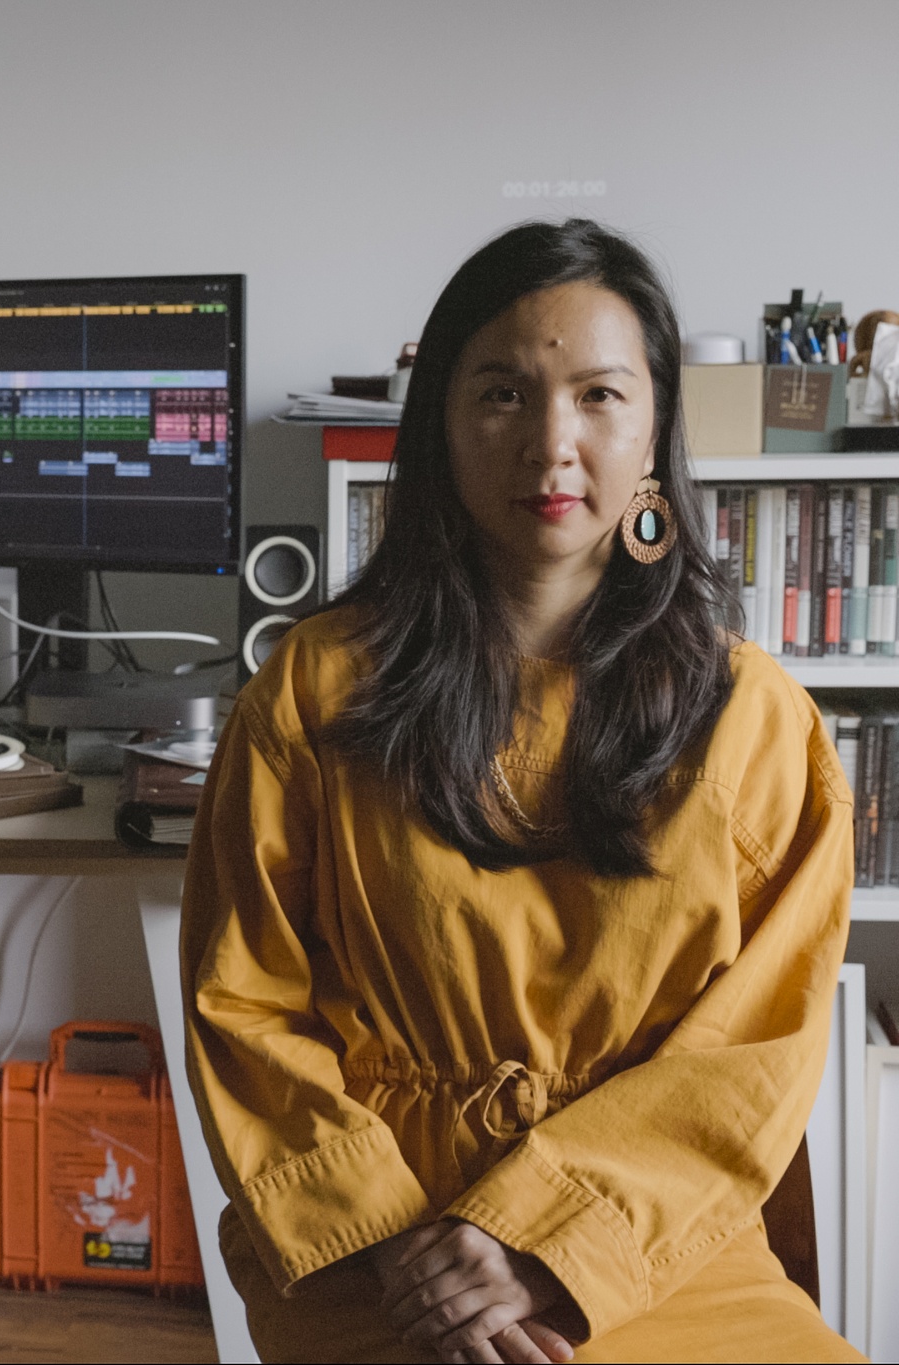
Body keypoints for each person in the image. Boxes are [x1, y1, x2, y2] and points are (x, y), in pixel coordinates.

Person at [180, 220, 859, 1364]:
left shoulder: (755, 718)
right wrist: (411, 1252)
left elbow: (756, 1053)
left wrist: (541, 1241)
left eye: (597, 395)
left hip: (649, 1234)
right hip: (379, 1241)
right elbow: (240, 1004)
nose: (551, 445)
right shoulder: (312, 691)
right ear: (440, 426)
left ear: (653, 431)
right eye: (501, 393)